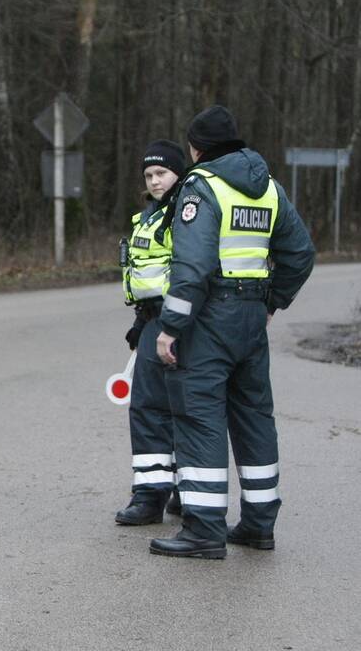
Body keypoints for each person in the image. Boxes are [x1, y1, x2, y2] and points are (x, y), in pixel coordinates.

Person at [150, 105, 315, 559]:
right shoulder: (269, 190)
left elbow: (193, 267)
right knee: (254, 417)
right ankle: (259, 525)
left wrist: (170, 327)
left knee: (199, 416)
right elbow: (300, 253)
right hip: (250, 316)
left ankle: (203, 530)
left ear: (196, 148)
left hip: (210, 318)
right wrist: (272, 302)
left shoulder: (201, 189)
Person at [115, 140, 185, 525]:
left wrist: (174, 322)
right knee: (146, 407)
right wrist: (142, 322)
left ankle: (184, 491)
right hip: (154, 318)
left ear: (179, 172)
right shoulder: (149, 216)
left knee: (185, 409)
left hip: (184, 321)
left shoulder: (187, 213)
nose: (156, 181)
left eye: (162, 173)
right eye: (149, 175)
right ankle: (151, 495)